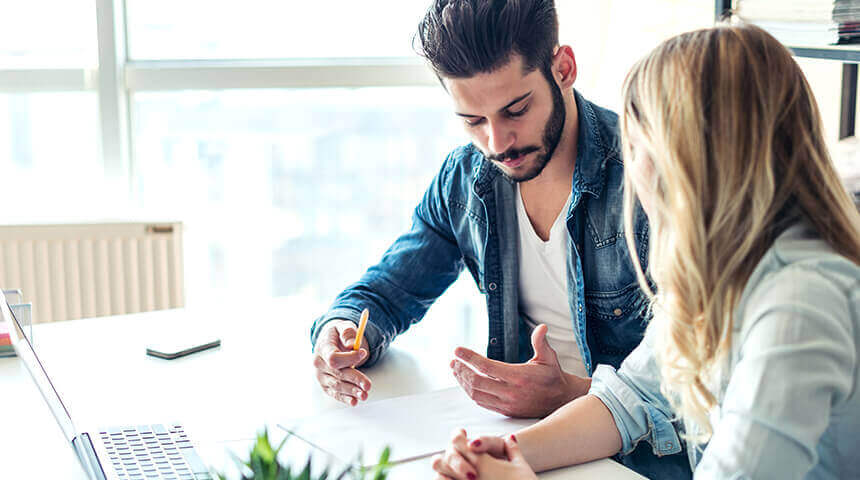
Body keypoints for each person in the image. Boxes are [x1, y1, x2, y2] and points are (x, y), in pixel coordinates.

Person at [431, 23, 860, 479]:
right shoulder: (722, 268)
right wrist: (511, 452)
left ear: (693, 157)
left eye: (636, 146)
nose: (630, 171)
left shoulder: (799, 303)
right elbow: (632, 396)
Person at [310, 0, 690, 476]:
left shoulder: (650, 178)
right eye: (473, 121)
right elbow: (383, 292)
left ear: (563, 68)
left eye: (516, 109)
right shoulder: (466, 179)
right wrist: (339, 337)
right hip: (522, 448)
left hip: (640, 461)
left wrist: (572, 392)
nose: (497, 142)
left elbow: (701, 391)